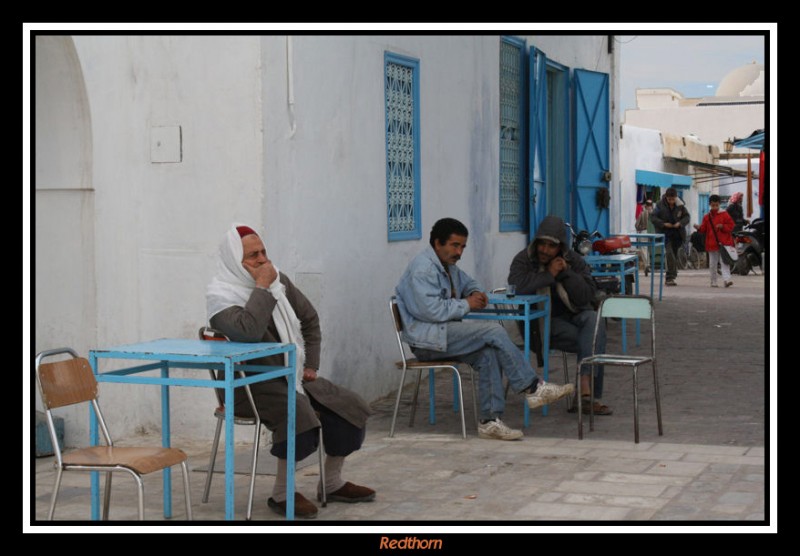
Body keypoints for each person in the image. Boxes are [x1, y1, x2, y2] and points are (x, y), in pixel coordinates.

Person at [206, 223, 376, 519]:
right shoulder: (222, 297)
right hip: (246, 385)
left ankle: (332, 483)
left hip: (290, 375)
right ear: (234, 261)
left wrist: (310, 365)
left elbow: (309, 318)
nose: (262, 260)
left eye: (263, 252)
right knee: (298, 413)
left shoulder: (278, 282)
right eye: (252, 256)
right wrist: (262, 287)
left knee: (347, 406)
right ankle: (281, 494)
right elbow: (248, 330)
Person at [394, 218, 574, 441]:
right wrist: (467, 304)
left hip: (443, 336)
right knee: (493, 331)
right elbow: (431, 311)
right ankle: (533, 387)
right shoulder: (422, 269)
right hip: (427, 341)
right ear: (437, 243)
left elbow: (469, 283)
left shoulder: (448, 266)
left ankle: (489, 422)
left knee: (489, 354)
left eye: (462, 247)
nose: (459, 252)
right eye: (455, 245)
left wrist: (476, 292)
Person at [508, 215, 612, 416]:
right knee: (594, 337)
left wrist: (565, 273)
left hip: (574, 318)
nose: (545, 250)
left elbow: (586, 296)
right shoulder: (523, 260)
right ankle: (586, 395)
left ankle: (584, 388)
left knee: (593, 321)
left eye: (551, 246)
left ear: (561, 248)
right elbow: (518, 287)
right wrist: (548, 275)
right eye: (542, 244)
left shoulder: (573, 260)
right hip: (539, 324)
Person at [650, 187, 690, 286]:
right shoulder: (659, 205)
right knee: (669, 254)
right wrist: (663, 224)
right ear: (666, 198)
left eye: (673, 199)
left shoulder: (680, 205)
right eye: (669, 199)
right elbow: (653, 218)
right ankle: (669, 278)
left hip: (677, 234)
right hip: (665, 234)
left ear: (676, 197)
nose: (671, 202)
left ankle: (672, 275)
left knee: (674, 255)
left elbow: (687, 217)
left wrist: (680, 223)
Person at [694, 195, 736, 288]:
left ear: (719, 204)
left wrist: (723, 226)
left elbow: (731, 226)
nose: (715, 207)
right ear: (710, 205)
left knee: (724, 262)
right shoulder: (706, 217)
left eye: (716, 205)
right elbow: (703, 229)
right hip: (711, 244)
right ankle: (713, 281)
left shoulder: (725, 214)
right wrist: (698, 228)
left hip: (723, 243)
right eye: (713, 205)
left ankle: (726, 280)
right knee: (712, 264)